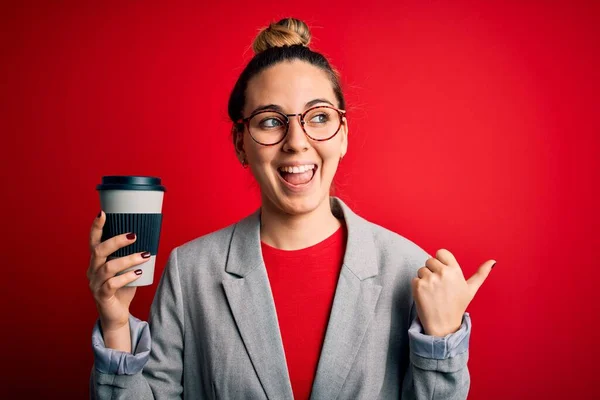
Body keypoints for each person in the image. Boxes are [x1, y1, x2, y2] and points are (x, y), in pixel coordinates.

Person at [88, 17, 496, 400]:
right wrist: (116, 323)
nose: (297, 141)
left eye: (318, 117)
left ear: (343, 135)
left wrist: (441, 341)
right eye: (270, 121)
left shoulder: (409, 270)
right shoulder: (189, 272)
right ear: (240, 145)